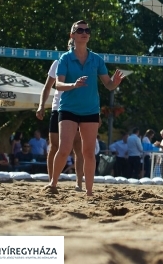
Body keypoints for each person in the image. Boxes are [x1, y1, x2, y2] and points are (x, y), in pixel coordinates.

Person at [48, 20, 126, 196]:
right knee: (64, 148)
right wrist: (74, 85)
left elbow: (108, 85)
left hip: (90, 110)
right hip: (68, 108)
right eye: (80, 30)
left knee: (88, 152)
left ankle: (89, 191)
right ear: (72, 35)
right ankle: (53, 184)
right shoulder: (65, 59)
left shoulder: (96, 59)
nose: (84, 32)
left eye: (87, 30)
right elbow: (58, 85)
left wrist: (115, 82)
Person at [38, 57, 84, 190]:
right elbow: (47, 87)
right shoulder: (58, 63)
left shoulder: (85, 63)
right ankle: (52, 182)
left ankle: (79, 183)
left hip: (78, 108)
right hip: (58, 108)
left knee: (77, 146)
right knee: (54, 146)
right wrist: (41, 105)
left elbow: (90, 90)